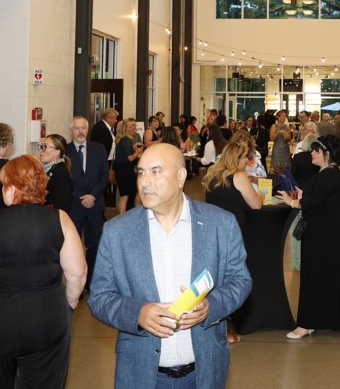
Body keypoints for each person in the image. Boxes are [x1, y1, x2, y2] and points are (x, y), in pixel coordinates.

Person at [88, 143, 253, 389]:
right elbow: (99, 297)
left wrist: (211, 306)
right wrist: (137, 313)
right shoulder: (117, 232)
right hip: (142, 374)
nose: (144, 181)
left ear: (180, 177)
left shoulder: (221, 224)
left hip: (204, 372)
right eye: (141, 172)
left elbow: (240, 280)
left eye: (155, 171)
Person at [0, 155, 87, 389]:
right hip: (46, 320)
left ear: (12, 187)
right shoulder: (61, 220)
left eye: (3, 185)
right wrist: (68, 306)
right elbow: (77, 274)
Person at [279, 136, 340, 339]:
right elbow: (321, 197)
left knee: (315, 277)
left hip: (326, 234)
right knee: (326, 276)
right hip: (328, 232)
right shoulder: (329, 173)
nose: (311, 153)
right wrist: (304, 193)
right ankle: (324, 318)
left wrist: (293, 201)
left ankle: (307, 324)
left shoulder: (329, 175)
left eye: (316, 151)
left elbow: (314, 201)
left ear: (327, 155)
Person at [65, 116, 110, 290]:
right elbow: (66, 180)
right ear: (71, 131)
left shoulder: (98, 149)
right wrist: (80, 198)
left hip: (95, 205)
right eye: (77, 128)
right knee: (73, 247)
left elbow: (104, 176)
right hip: (74, 207)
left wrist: (93, 196)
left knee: (95, 245)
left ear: (88, 130)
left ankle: (90, 282)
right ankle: (75, 284)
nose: (80, 131)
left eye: (83, 128)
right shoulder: (64, 151)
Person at [202, 142, 263, 231]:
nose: (247, 160)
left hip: (213, 226)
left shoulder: (211, 174)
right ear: (235, 159)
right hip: (233, 228)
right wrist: (261, 196)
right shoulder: (239, 176)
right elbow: (256, 205)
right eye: (244, 157)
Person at [114, 118, 145, 214]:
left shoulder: (128, 140)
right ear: (125, 128)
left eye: (135, 125)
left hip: (128, 170)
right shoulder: (125, 140)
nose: (134, 128)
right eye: (131, 126)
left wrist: (135, 148)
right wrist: (138, 151)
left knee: (134, 195)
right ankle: (123, 219)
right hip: (124, 171)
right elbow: (130, 158)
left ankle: (133, 216)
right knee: (125, 196)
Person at [39, 133, 74, 212]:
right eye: (41, 146)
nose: (41, 150)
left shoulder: (61, 173)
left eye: (45, 147)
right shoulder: (46, 169)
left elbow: (62, 207)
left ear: (57, 152)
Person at [270, 110, 292, 175]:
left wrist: (286, 134)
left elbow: (289, 139)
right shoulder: (274, 126)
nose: (284, 117)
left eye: (285, 116)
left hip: (285, 148)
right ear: (278, 117)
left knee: (284, 168)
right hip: (277, 148)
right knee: (277, 167)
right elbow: (271, 138)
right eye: (283, 116)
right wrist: (278, 132)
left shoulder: (287, 127)